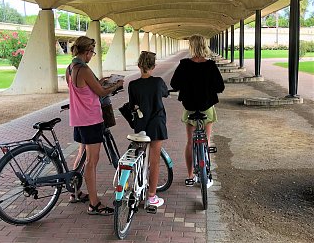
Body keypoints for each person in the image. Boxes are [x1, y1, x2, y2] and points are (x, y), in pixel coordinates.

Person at [65, 36, 124, 215]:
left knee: (82, 155)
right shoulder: (83, 68)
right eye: (92, 52)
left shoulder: (70, 68)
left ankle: (74, 192)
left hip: (78, 119)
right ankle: (94, 203)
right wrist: (116, 85)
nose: (92, 55)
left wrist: (101, 80)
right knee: (92, 162)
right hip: (91, 119)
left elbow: (84, 88)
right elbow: (100, 92)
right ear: (88, 51)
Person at [170, 34, 225, 187]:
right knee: (205, 140)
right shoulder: (210, 65)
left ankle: (190, 176)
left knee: (189, 141)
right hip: (206, 107)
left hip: (190, 107)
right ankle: (206, 174)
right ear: (204, 45)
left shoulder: (184, 64)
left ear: (192, 47)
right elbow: (220, 87)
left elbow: (174, 83)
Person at [128, 51, 168, 208]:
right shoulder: (158, 82)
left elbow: (132, 105)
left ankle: (136, 185)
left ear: (139, 66)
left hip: (140, 125)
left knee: (140, 156)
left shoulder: (133, 85)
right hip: (156, 124)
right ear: (154, 66)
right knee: (154, 161)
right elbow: (164, 93)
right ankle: (151, 195)